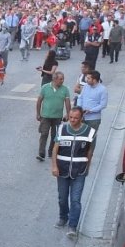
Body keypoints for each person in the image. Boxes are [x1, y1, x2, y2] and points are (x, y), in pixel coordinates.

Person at [51, 106, 95, 238]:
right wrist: (54, 166)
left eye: (76, 118)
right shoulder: (62, 129)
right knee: (62, 198)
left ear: (81, 118)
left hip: (79, 171)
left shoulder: (90, 132)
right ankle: (63, 217)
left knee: (75, 200)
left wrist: (87, 168)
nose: (72, 120)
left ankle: (72, 226)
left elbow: (90, 152)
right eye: (70, 117)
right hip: (62, 170)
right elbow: (55, 149)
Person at [36, 72, 71, 162]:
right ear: (54, 79)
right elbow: (39, 101)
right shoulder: (45, 87)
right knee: (44, 134)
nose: (62, 81)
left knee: (55, 135)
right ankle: (41, 153)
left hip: (57, 117)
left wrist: (68, 114)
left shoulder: (65, 89)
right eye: (60, 79)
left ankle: (51, 151)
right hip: (45, 116)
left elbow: (67, 102)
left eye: (63, 79)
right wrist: (38, 113)